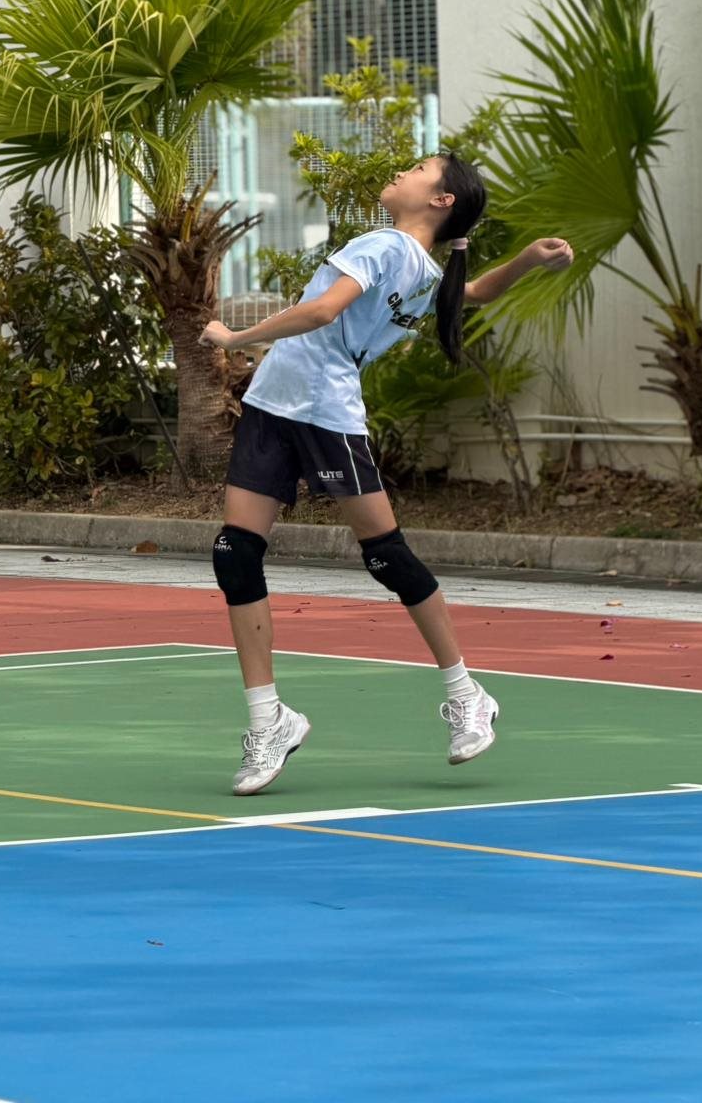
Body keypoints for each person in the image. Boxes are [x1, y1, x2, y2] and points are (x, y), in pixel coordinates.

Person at [198, 152, 573, 795]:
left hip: (325, 411)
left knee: (386, 556)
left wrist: (235, 339)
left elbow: (322, 312)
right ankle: (269, 720)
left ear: (441, 200)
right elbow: (473, 291)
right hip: (271, 406)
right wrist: (528, 260)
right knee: (235, 553)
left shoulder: (385, 248)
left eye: (419, 169)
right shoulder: (421, 265)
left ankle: (467, 693)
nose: (402, 172)